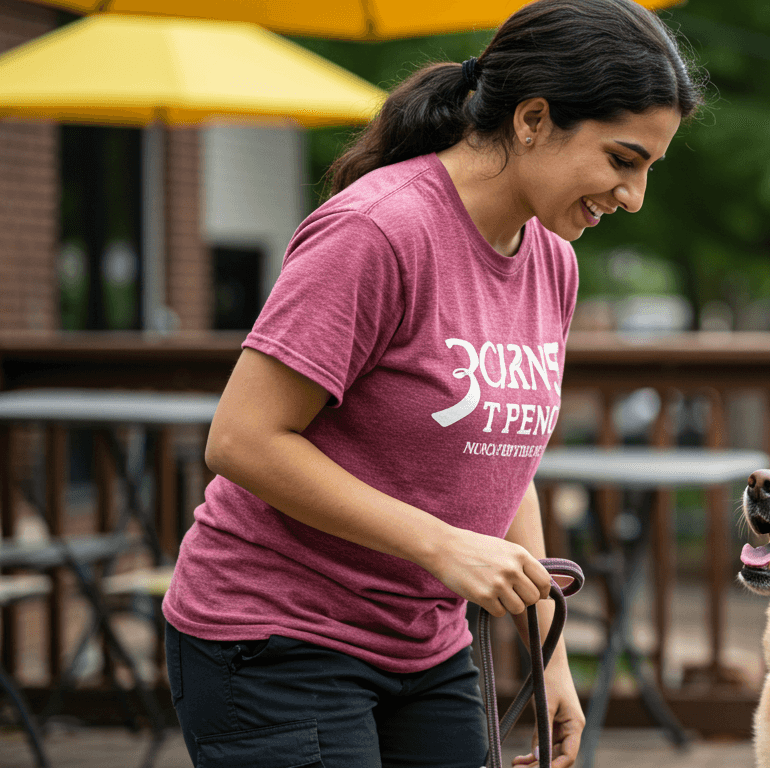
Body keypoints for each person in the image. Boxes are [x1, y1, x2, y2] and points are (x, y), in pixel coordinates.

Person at [160, 1, 703, 765]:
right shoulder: (377, 232)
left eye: (648, 167)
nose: (633, 195)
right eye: (621, 159)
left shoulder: (552, 261)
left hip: (424, 646)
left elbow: (499, 461)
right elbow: (242, 440)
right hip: (276, 639)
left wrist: (547, 656)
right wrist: (443, 546)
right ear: (533, 120)